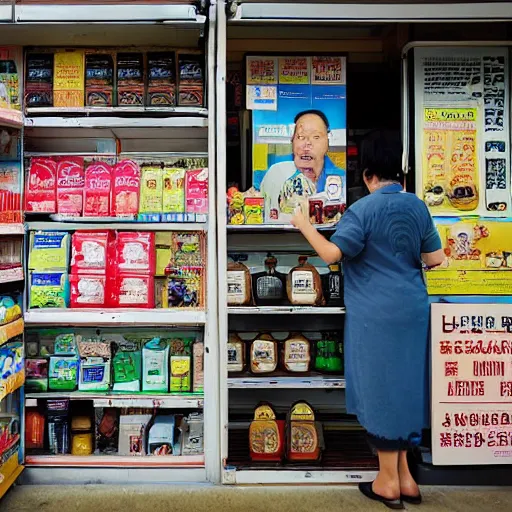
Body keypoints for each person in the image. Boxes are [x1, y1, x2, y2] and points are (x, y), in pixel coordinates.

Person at [291, 130, 445, 510]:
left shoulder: (362, 210)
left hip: (375, 314)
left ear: (367, 174)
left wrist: (304, 224)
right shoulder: (418, 207)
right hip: (412, 308)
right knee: (406, 387)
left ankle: (387, 483)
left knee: (379, 391)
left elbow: (332, 255)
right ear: (401, 172)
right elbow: (435, 259)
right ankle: (406, 478)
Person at [260, 110, 345, 220]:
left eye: (316, 137)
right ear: (292, 140)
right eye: (300, 137)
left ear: (327, 142)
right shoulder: (276, 172)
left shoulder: (341, 179)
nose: (307, 143)